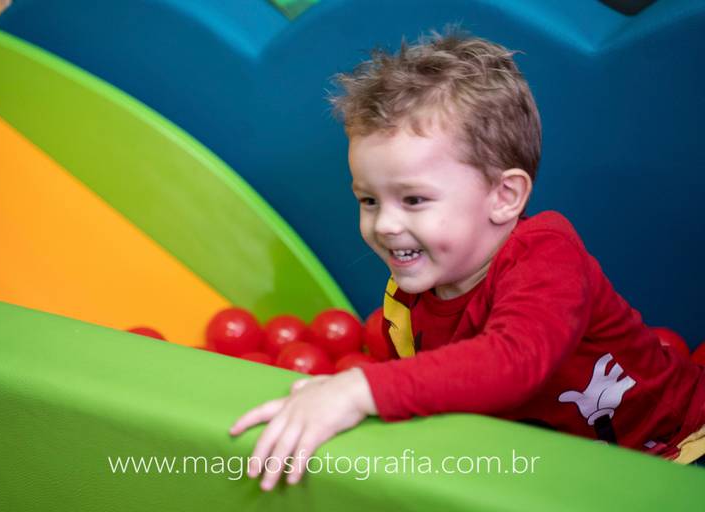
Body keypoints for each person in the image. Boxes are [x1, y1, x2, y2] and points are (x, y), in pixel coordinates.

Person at [229, 29, 705, 490]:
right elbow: (431, 411)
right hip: (555, 481)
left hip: (678, 450)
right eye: (369, 200)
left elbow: (515, 360)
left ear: (504, 196)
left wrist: (358, 390)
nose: (385, 224)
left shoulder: (546, 253)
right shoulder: (407, 299)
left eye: (413, 200)